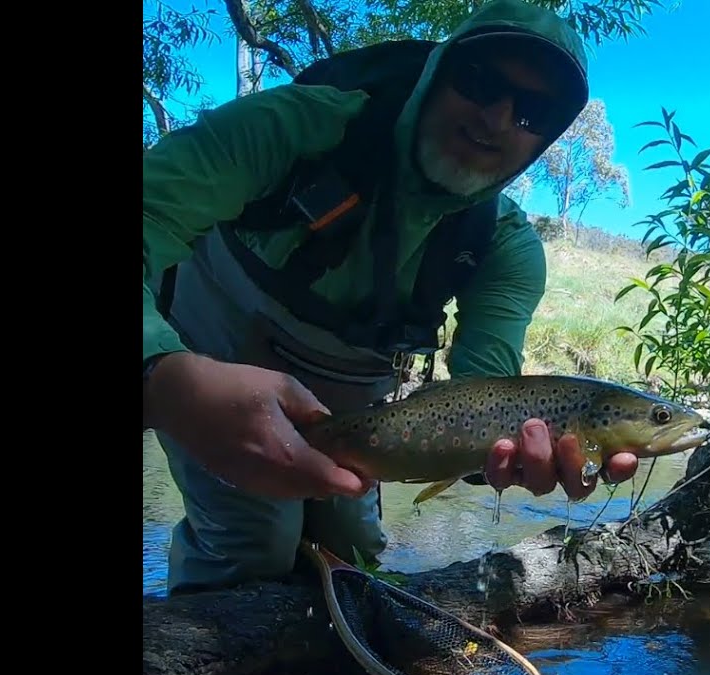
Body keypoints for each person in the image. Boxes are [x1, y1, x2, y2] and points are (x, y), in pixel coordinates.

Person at [141, 0, 638, 596]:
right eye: (480, 82)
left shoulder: (506, 247)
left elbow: (489, 389)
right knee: (256, 541)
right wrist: (163, 379)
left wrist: (503, 455)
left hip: (357, 387)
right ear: (435, 71)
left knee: (354, 549)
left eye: (535, 112)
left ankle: (332, 670)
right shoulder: (295, 128)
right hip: (215, 341)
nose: (499, 117)